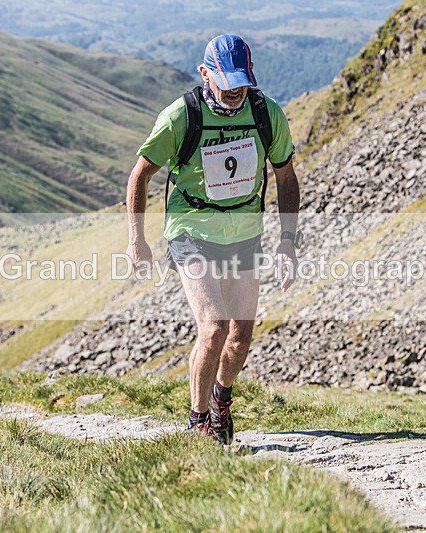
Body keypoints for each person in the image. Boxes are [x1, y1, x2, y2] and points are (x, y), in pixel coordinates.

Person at [126, 34, 301, 444]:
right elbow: (140, 175)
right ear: (205, 73)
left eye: (243, 81)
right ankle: (198, 419)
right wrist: (136, 239)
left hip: (245, 233)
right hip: (191, 230)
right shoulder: (181, 116)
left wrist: (287, 240)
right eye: (227, 83)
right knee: (215, 327)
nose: (236, 91)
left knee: (240, 337)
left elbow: (286, 177)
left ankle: (221, 400)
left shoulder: (266, 113)